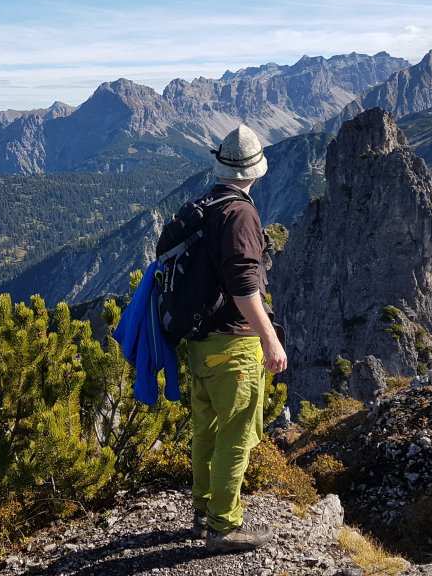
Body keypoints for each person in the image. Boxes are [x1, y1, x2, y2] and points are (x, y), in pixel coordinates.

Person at [188, 124, 288, 554]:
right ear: (254, 170)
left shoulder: (204, 205)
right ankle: (224, 526)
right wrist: (270, 339)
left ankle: (203, 509)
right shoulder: (240, 213)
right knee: (237, 434)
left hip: (200, 343)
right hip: (233, 347)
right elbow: (244, 284)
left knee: (207, 429)